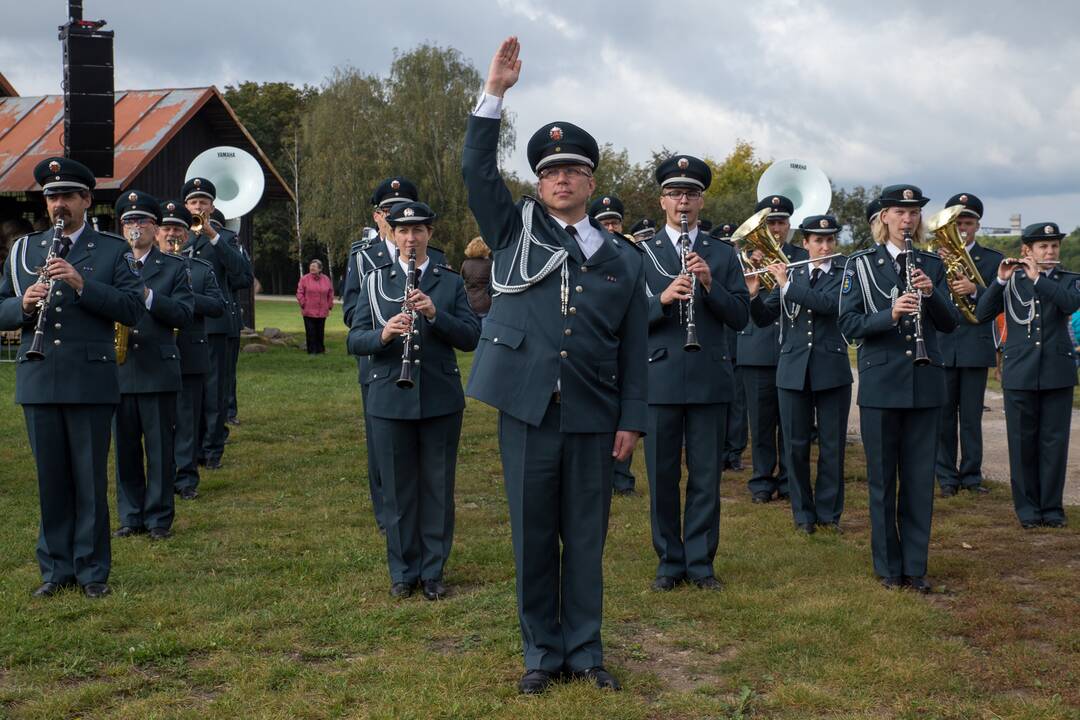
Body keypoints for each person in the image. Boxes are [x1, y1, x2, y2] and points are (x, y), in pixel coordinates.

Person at [462, 37, 647, 694]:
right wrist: (495, 94)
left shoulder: (621, 258)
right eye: (549, 172)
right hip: (528, 409)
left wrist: (633, 418)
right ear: (539, 182)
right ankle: (541, 653)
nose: (560, 180)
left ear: (592, 183)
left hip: (596, 414)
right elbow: (476, 171)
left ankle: (586, 651)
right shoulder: (515, 231)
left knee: (587, 540)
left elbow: (633, 345)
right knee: (534, 536)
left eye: (573, 172)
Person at [0, 157, 144, 598]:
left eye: (66, 196)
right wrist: (22, 305)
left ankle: (92, 570)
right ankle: (56, 569)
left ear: (86, 199)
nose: (58, 204)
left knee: (88, 477)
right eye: (51, 197)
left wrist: (83, 285)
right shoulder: (24, 250)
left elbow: (132, 309)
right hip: (39, 378)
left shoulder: (112, 250)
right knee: (51, 478)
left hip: (90, 379)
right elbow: (1, 306)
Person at [348, 200, 480, 600]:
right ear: (391, 233)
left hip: (440, 397)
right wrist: (384, 334)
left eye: (418, 231)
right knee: (397, 488)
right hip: (389, 394)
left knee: (438, 487)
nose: (410, 238)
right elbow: (355, 338)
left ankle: (433, 571)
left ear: (429, 235)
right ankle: (402, 571)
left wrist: (437, 314)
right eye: (403, 231)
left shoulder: (449, 281)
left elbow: (471, 337)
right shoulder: (375, 280)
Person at [839, 184, 959, 592]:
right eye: (899, 212)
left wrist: (931, 293)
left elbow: (950, 323)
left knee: (919, 479)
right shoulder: (861, 265)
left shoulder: (932, 263)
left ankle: (915, 566)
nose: (907, 219)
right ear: (883, 218)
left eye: (913, 213)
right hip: (882, 383)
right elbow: (849, 324)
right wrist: (888, 314)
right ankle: (888, 567)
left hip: (925, 384)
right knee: (882, 480)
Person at [638, 155, 749, 590]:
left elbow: (741, 316)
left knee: (706, 476)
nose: (682, 201)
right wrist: (662, 299)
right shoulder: (641, 252)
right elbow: (624, 319)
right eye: (674, 193)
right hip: (660, 378)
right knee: (663, 476)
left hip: (708, 378)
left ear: (701, 201)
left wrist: (709, 285)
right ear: (662, 200)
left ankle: (701, 563)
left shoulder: (721, 254)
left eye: (690, 194)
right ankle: (669, 562)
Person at [748, 215, 852, 533]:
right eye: (817, 241)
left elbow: (828, 305)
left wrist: (786, 286)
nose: (824, 246)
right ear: (805, 243)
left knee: (832, 446)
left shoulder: (842, 273)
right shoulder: (791, 272)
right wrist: (753, 295)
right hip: (793, 369)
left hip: (832, 369)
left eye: (829, 240)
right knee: (795, 446)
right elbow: (765, 318)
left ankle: (829, 513)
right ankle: (803, 514)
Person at [975, 223, 1080, 529]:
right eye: (1043, 247)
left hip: (1056, 372)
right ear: (1027, 251)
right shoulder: (1010, 282)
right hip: (1020, 372)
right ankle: (1028, 510)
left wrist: (1038, 279)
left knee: (1054, 442)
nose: (1050, 252)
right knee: (1021, 443)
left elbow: (1070, 304)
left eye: (1054, 246)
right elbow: (982, 314)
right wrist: (998, 279)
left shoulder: (1069, 280)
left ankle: (1052, 508)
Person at [111, 191, 194, 541]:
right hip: (119, 368)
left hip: (157, 369)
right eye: (129, 221)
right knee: (125, 449)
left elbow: (183, 314)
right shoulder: (111, 264)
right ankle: (131, 516)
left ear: (155, 228)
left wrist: (146, 295)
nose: (135, 227)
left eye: (142, 220)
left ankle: (159, 518)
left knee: (159, 449)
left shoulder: (173, 267)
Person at [341, 176, 420, 534]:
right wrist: (381, 330)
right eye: (388, 211)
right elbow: (349, 310)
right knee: (380, 440)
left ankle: (418, 507)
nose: (395, 217)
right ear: (377, 216)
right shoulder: (361, 256)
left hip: (418, 359)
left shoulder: (425, 254)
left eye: (401, 211)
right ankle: (387, 514)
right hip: (377, 359)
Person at [737, 195, 808, 503]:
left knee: (793, 424)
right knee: (762, 423)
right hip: (758, 349)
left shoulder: (800, 256)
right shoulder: (743, 258)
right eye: (771, 224)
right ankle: (762, 482)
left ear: (789, 226)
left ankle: (792, 481)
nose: (776, 229)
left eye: (781, 223)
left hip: (793, 350)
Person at [934, 193, 1003, 497]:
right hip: (944, 345)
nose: (963, 228)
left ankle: (972, 476)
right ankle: (946, 476)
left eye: (968, 222)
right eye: (957, 222)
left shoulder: (992, 259)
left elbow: (999, 300)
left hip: (975, 345)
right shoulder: (934, 258)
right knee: (944, 415)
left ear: (977, 225)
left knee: (971, 417)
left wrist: (976, 289)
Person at [158, 201, 224, 501]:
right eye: (167, 228)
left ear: (187, 234)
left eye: (178, 229)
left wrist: (183, 298)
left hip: (189, 353)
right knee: (157, 422)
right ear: (157, 232)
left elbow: (217, 306)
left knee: (187, 420)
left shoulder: (200, 268)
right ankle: (160, 476)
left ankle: (185, 479)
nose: (172, 234)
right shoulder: (142, 268)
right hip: (154, 352)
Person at [181, 178, 248, 470]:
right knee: (190, 392)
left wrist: (214, 237)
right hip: (185, 324)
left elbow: (241, 272)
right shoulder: (178, 236)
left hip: (215, 325)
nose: (199, 206)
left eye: (204, 202)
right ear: (186, 206)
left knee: (214, 390)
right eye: (194, 202)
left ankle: (212, 449)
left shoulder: (225, 239)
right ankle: (192, 447)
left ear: (212, 206)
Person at [590, 195, 638, 496]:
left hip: (623, 347)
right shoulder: (586, 256)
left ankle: (622, 477)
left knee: (625, 412)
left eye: (615, 221)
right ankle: (600, 475)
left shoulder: (632, 257)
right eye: (605, 222)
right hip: (596, 350)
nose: (611, 226)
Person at [713, 222, 748, 471]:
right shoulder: (710, 263)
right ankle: (719, 449)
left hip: (735, 341)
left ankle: (734, 452)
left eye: (731, 245)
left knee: (737, 403)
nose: (729, 249)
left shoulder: (738, 264)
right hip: (715, 341)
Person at [296, 259, 334, 354]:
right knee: (310, 332)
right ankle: (312, 351)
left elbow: (330, 293)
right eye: (311, 266)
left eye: (314, 266)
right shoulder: (304, 279)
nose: (312, 268)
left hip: (322, 311)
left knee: (320, 332)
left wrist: (329, 306)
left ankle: (320, 350)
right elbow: (299, 293)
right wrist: (303, 303)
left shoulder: (326, 279)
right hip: (308, 310)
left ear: (320, 269)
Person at [460, 236, 492, 319]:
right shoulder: (490, 264)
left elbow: (461, 282)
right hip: (486, 305)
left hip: (469, 304)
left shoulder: (465, 264)